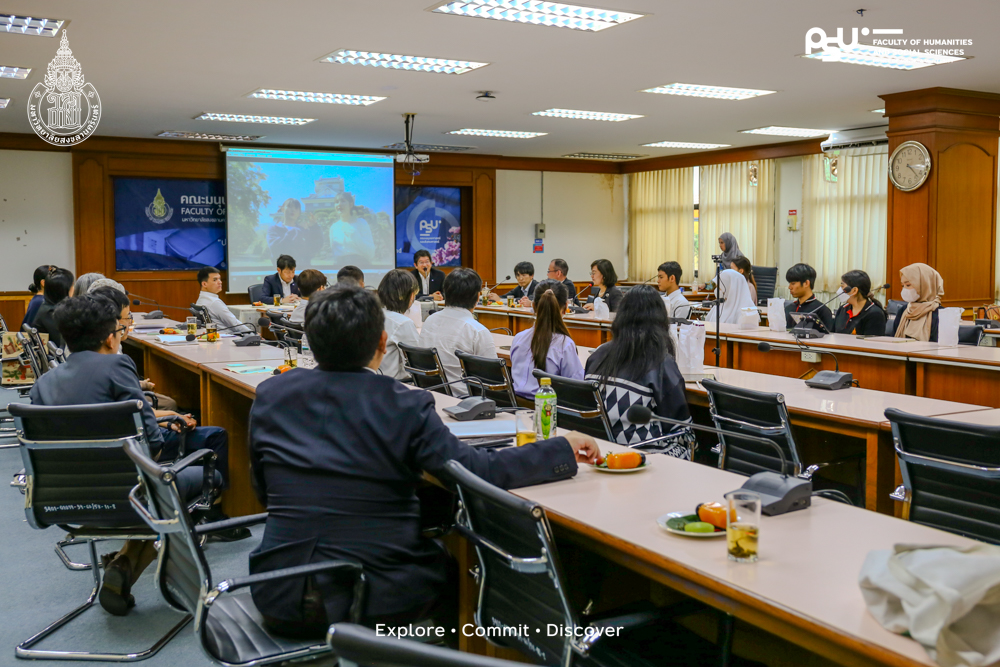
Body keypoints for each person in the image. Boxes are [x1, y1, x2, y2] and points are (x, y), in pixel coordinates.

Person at [247, 285, 600, 638]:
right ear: (383, 343)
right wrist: (560, 448)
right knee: (449, 562)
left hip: (277, 590)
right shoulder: (401, 403)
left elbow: (264, 492)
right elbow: (476, 473)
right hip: (371, 593)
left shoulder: (272, 394)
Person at [29, 294, 247, 617]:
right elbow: (154, 446)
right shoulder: (117, 364)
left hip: (62, 502)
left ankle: (123, 564)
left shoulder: (42, 386)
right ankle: (130, 566)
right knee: (200, 477)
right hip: (129, 496)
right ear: (109, 336)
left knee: (155, 495)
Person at [585, 285, 695, 457]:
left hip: (601, 450)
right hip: (644, 455)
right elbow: (679, 424)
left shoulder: (597, 355)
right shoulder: (660, 361)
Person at [418, 268, 497, 397]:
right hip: (466, 401)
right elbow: (493, 379)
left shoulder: (430, 320)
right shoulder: (477, 331)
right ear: (478, 297)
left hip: (431, 395)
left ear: (446, 294)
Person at [509, 280, 584, 400]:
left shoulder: (519, 338)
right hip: (548, 413)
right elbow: (577, 387)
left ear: (533, 306)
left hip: (515, 409)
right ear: (566, 307)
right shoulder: (565, 344)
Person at [377, 269, 421, 381]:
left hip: (374, 382)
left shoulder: (373, 314)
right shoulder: (402, 323)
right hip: (397, 385)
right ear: (410, 296)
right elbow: (417, 364)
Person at [892, 263, 943, 342]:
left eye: (908, 285)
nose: (904, 289)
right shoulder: (904, 310)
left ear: (925, 285)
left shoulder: (939, 313)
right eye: (902, 286)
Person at [195, 266, 253, 333]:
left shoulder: (201, 299)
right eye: (215, 280)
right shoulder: (214, 302)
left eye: (219, 279)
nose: (220, 282)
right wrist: (253, 333)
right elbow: (234, 324)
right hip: (229, 337)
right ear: (204, 284)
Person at [833, 270, 888, 336]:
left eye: (842, 287)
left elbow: (872, 343)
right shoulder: (842, 309)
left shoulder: (875, 314)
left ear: (854, 290)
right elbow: (833, 334)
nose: (839, 290)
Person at [32, 266, 75, 348]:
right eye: (72, 285)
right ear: (63, 289)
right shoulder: (51, 313)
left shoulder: (50, 306)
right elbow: (64, 343)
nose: (74, 288)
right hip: (55, 358)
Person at [784, 263, 833, 332]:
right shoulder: (789, 308)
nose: (789, 287)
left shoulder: (822, 310)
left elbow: (827, 337)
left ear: (806, 283)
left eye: (793, 283)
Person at [329, 192, 376, 263]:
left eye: (343, 201)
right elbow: (334, 253)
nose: (339, 204)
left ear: (351, 204)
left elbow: (371, 253)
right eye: (336, 202)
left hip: (360, 266)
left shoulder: (361, 223)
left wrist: (355, 236)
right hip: (340, 268)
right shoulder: (334, 227)